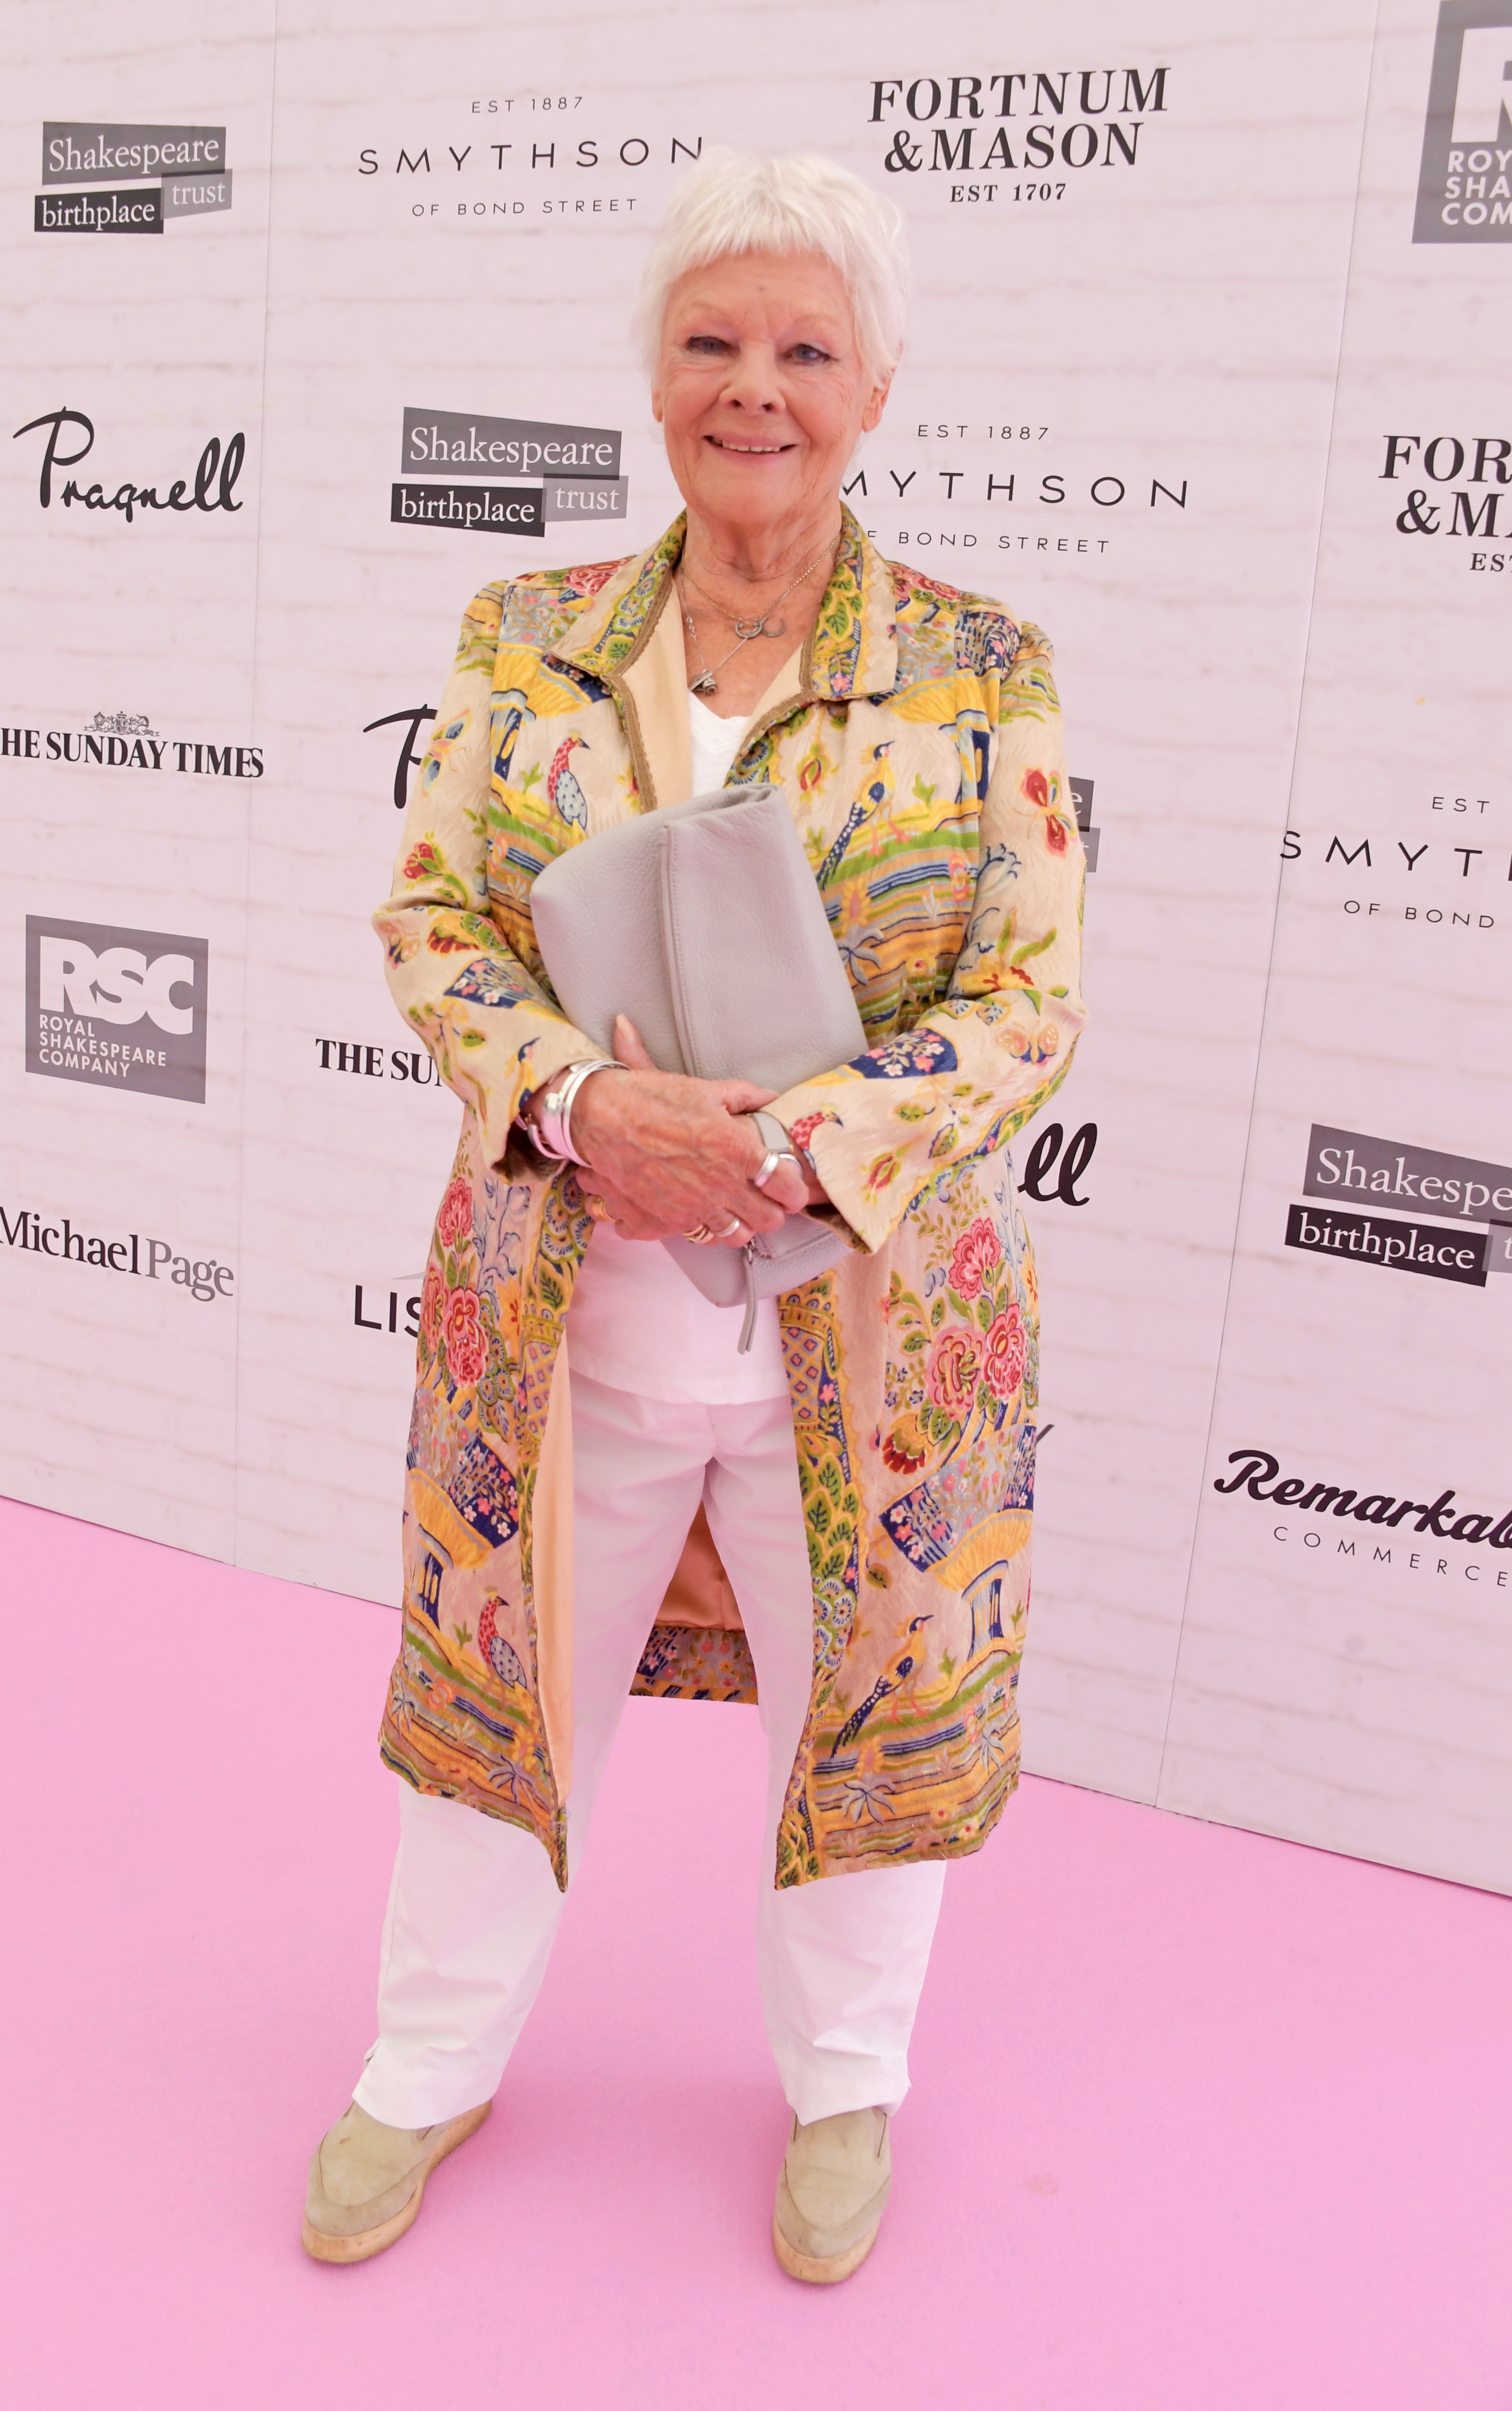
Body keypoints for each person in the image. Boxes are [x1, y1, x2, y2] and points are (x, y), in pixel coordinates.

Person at [303, 148, 1086, 2281]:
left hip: (870, 1338)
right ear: (657, 377)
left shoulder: (979, 666)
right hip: (568, 1321)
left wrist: (799, 1139)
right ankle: (422, 2064)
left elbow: (1030, 999)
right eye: (714, 342)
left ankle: (849, 2087)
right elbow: (435, 920)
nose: (758, 387)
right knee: (498, 1708)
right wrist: (578, 1101)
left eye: (806, 348)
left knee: (871, 1715)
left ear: (879, 382)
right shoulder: (525, 639)